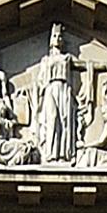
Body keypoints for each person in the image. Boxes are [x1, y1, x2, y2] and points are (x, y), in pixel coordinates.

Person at [31, 24, 81, 163]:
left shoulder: (67, 58)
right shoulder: (45, 60)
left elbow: (83, 65)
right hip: (50, 89)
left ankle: (63, 154)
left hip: (64, 89)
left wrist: (104, 67)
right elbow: (40, 81)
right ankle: (51, 153)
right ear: (50, 40)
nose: (57, 39)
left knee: (65, 120)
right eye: (54, 36)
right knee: (52, 118)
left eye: (59, 36)